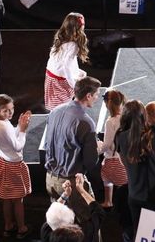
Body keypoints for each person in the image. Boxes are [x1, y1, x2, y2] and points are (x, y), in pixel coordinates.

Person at [44, 77, 100, 228]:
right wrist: (97, 149)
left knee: (59, 226)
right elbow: (90, 161)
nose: (96, 98)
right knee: (89, 222)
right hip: (71, 183)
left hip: (50, 180)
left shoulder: (54, 111)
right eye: (96, 95)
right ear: (88, 95)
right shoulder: (86, 122)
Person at [116, 100, 155, 236]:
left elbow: (123, 162)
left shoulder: (120, 137)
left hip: (135, 194)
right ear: (143, 115)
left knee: (141, 234)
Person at [0, 94, 32, 239]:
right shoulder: (4, 126)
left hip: (4, 163)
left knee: (7, 199)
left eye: (11, 109)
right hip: (14, 166)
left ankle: (8, 225)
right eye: (5, 111)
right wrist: (23, 129)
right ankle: (21, 228)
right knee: (18, 200)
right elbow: (18, 146)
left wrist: (19, 126)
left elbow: (10, 139)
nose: (10, 113)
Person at [44, 13, 88, 111]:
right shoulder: (73, 45)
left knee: (56, 107)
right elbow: (66, 66)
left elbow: (63, 60)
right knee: (61, 108)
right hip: (59, 79)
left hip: (51, 74)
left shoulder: (61, 37)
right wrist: (74, 85)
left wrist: (77, 72)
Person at [97, 90, 127, 209]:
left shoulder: (111, 121)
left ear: (108, 104)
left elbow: (107, 145)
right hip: (125, 162)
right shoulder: (126, 119)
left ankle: (108, 201)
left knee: (105, 171)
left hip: (114, 162)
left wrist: (98, 147)